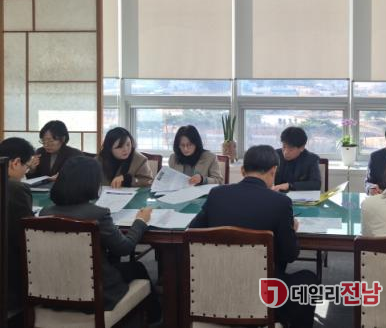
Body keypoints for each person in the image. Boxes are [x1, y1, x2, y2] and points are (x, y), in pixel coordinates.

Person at [189, 145, 317, 328]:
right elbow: (290, 254)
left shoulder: (217, 194)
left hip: (217, 287)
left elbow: (193, 232)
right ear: (273, 171)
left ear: (242, 171)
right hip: (261, 294)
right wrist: (292, 231)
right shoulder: (281, 203)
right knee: (308, 281)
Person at [40, 156, 161, 322]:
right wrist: (140, 221)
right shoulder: (97, 214)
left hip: (55, 289)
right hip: (98, 291)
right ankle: (155, 318)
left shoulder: (45, 213)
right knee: (137, 267)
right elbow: (124, 248)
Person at [0, 137, 35, 314]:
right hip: (10, 279)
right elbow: (26, 237)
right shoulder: (15, 188)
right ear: (15, 163)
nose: (25, 173)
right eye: (26, 167)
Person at [272, 127, 321, 192]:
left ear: (302, 148)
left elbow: (316, 184)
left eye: (291, 149)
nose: (285, 152)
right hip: (276, 195)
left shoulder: (311, 159)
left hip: (299, 196)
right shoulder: (274, 155)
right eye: (284, 147)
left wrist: (289, 185)